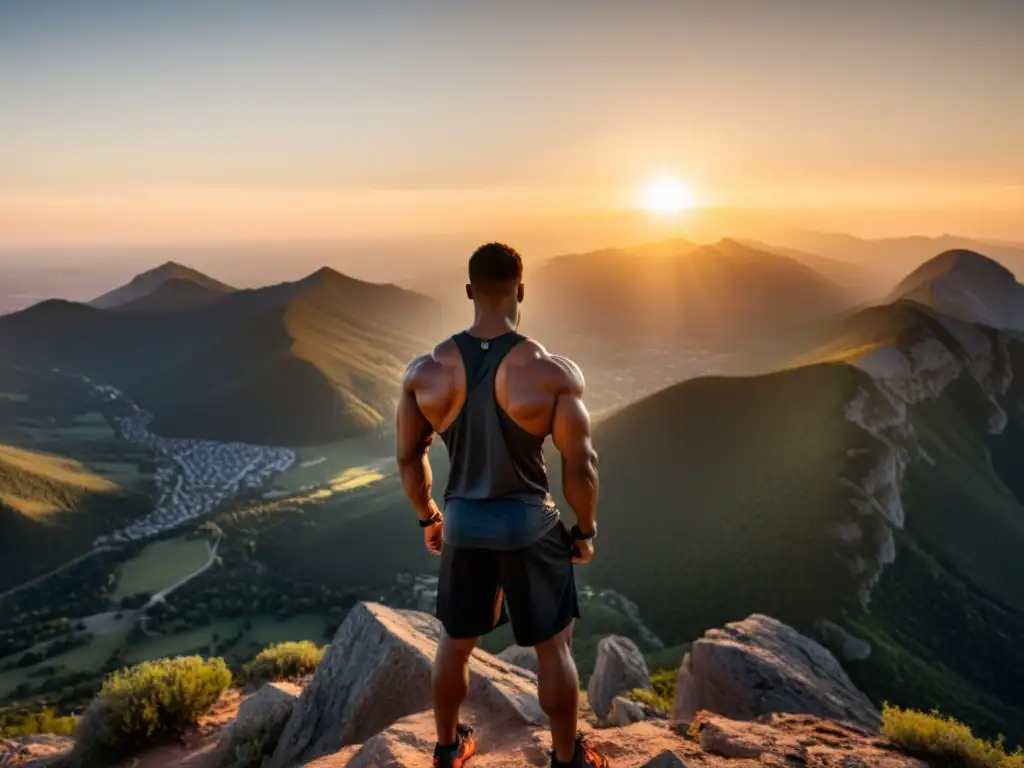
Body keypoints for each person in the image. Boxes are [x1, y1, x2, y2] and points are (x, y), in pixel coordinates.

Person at [396, 243, 607, 768]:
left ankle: (447, 749)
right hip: (529, 525)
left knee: (454, 642)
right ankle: (567, 758)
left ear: (469, 292)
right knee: (554, 647)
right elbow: (580, 464)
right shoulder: (552, 372)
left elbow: (408, 457)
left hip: (463, 525)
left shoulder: (425, 372)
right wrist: (583, 529)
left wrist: (428, 517)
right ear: (521, 290)